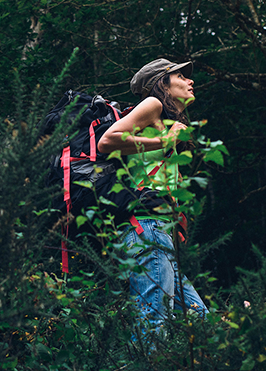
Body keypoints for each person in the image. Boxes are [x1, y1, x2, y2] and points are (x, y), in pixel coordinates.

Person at [97, 58, 208, 333]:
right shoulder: (153, 104)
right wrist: (165, 141)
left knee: (201, 322)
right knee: (153, 321)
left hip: (158, 232)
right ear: (163, 82)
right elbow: (107, 141)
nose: (190, 81)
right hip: (146, 228)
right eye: (181, 76)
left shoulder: (165, 120)